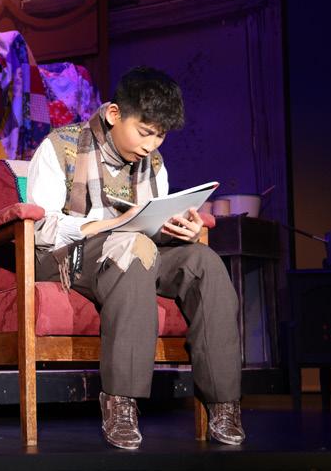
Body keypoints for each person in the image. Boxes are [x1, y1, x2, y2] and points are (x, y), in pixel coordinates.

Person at [27, 66, 245, 449]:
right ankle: (121, 402)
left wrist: (179, 228)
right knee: (134, 246)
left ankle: (223, 403)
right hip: (68, 257)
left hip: (137, 252)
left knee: (205, 263)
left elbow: (151, 225)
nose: (151, 145)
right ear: (115, 114)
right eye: (145, 132)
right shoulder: (60, 146)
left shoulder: (153, 164)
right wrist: (110, 223)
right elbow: (41, 228)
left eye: (160, 136)